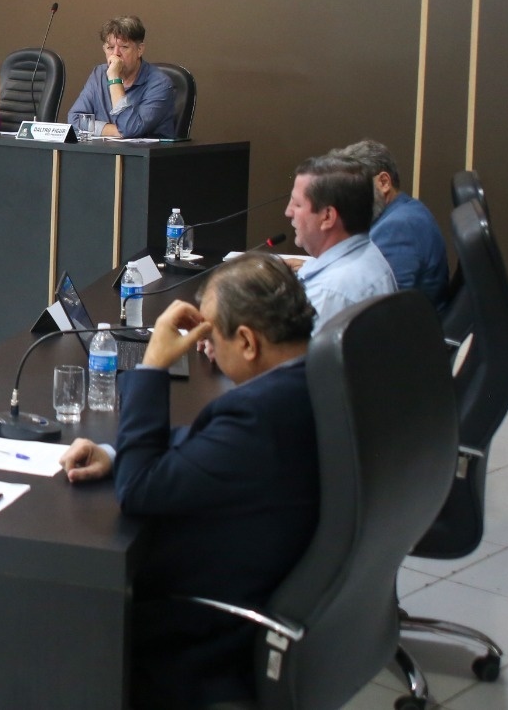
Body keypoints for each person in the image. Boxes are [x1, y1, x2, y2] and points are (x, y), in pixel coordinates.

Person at [59, 253, 319, 708]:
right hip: (268, 585)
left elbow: (138, 490)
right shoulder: (310, 382)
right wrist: (116, 453)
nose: (204, 349)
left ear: (247, 341)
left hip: (198, 635)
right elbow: (213, 447)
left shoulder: (258, 416)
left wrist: (152, 366)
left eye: (210, 336)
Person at [284, 153, 396, 331]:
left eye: (297, 204)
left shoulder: (328, 294)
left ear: (327, 217)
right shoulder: (369, 253)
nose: (288, 212)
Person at [334, 139, 450, 308]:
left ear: (383, 182)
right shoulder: (404, 211)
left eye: (353, 189)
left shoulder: (398, 228)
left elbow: (378, 304)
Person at [66, 15, 177, 138]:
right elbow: (75, 119)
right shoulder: (99, 74)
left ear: (140, 50)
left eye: (124, 47)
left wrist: (114, 79)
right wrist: (117, 131)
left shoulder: (160, 83)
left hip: (145, 151)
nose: (115, 54)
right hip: (104, 149)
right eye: (110, 48)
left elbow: (130, 128)